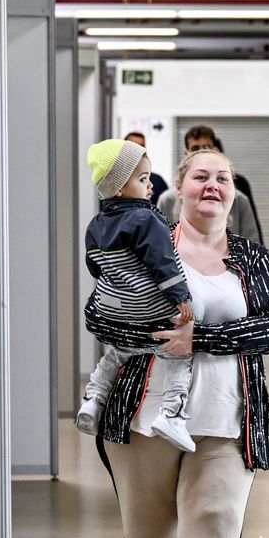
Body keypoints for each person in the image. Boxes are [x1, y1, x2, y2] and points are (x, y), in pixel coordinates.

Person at [96, 146, 269, 538]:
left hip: (227, 418)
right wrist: (147, 329)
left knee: (213, 529)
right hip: (145, 417)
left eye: (223, 178)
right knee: (150, 535)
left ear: (234, 192)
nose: (213, 185)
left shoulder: (252, 258)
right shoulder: (143, 241)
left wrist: (198, 339)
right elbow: (99, 313)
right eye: (201, 176)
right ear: (178, 188)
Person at [75, 139, 196, 453]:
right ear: (117, 187)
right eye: (142, 179)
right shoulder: (147, 219)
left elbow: (94, 266)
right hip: (147, 305)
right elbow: (162, 261)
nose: (150, 186)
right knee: (177, 354)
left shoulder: (96, 225)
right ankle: (173, 415)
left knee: (116, 353)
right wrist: (181, 297)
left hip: (110, 306)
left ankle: (92, 400)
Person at [157, 125, 263, 244]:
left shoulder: (239, 199)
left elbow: (254, 245)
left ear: (216, 150)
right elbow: (159, 246)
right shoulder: (167, 200)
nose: (202, 152)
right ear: (186, 153)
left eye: (206, 147)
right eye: (195, 148)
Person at [123, 131, 168, 197]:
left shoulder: (157, 181)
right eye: (133, 145)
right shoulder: (115, 179)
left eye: (141, 146)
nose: (138, 150)